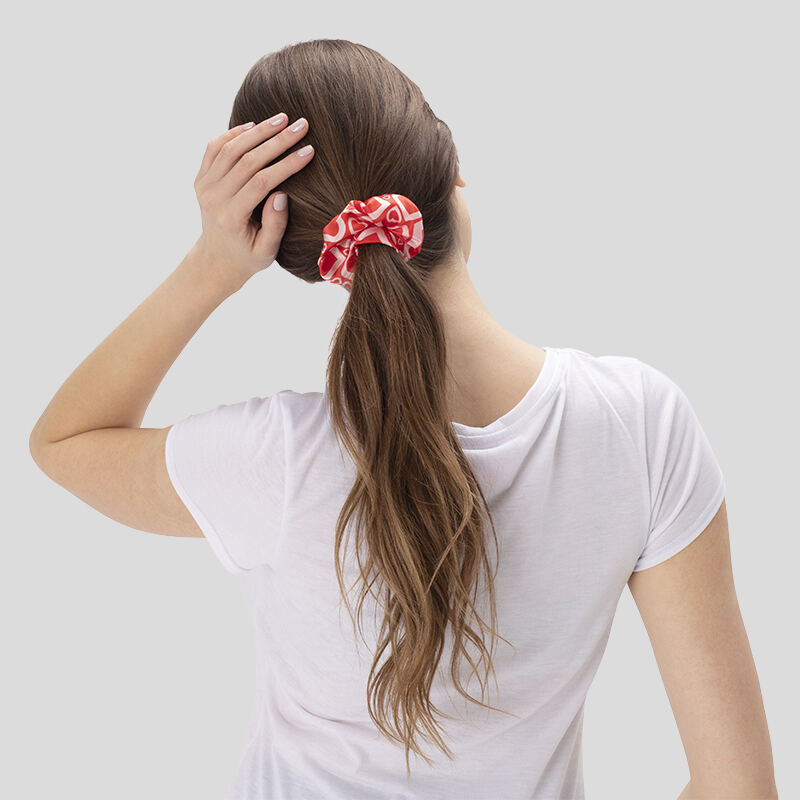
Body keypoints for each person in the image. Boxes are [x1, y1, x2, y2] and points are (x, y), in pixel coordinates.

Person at [29, 38, 777, 800]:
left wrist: (212, 265)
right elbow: (740, 786)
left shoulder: (276, 458)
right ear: (451, 172)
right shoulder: (640, 426)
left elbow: (63, 439)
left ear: (307, 254)